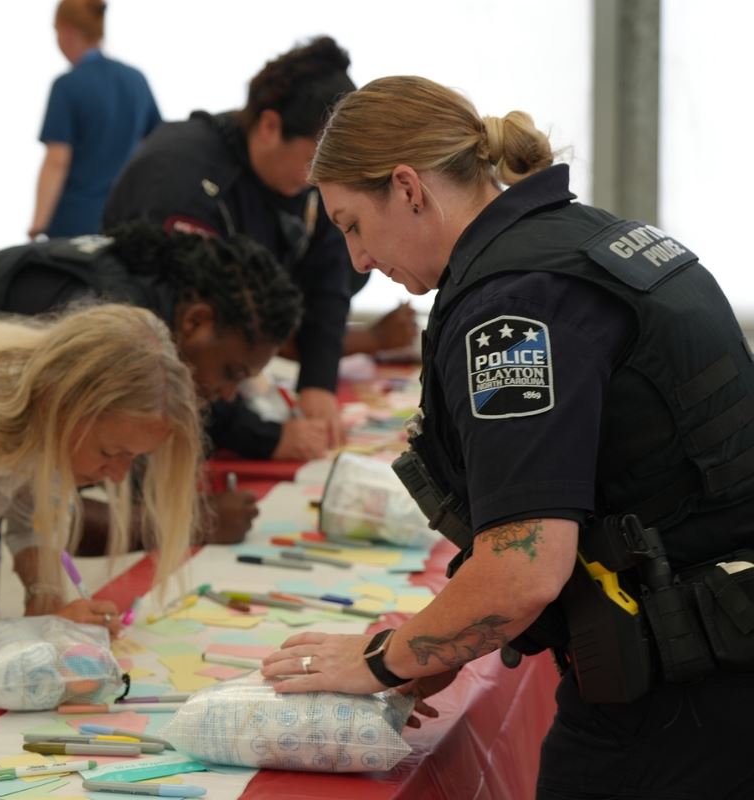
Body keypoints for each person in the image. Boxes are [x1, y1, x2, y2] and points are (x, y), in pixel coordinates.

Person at [261, 76, 754, 798]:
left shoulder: (514, 308)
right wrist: (441, 639)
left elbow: (525, 569)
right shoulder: (585, 239)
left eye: (351, 225)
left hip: (688, 698)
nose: (359, 260)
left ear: (407, 187)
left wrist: (380, 661)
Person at [0, 221, 305, 542]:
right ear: (197, 321)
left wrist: (41, 591)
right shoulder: (104, 330)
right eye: (231, 373)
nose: (228, 395)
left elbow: (34, 499)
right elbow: (51, 495)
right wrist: (184, 523)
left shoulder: (148, 314)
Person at [103, 36, 355, 458]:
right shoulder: (182, 184)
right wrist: (265, 438)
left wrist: (318, 382)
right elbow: (182, 344)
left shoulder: (301, 177)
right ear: (271, 126)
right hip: (134, 392)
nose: (318, 179)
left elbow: (328, 274)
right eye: (315, 160)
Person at [0, 304, 201, 690]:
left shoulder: (40, 413)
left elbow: (33, 517)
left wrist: (45, 594)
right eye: (109, 453)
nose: (118, 476)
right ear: (65, 407)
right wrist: (30, 633)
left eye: (132, 459)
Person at [29, 0, 161, 239]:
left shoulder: (67, 86)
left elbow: (57, 161)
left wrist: (37, 225)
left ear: (67, 31)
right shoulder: (136, 81)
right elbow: (155, 147)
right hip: (126, 224)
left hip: (75, 225)